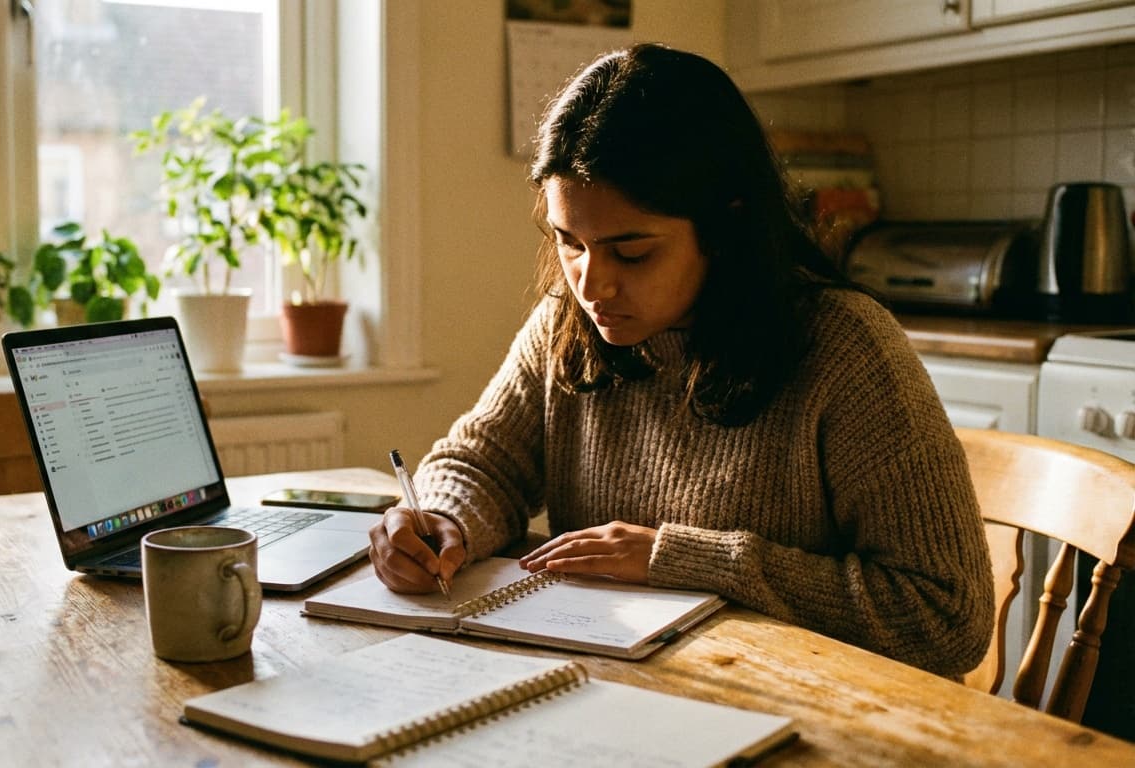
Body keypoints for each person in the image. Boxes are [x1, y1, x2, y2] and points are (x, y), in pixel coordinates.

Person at [368, 43, 993, 678]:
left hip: (812, 709)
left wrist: (681, 560)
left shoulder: (846, 348)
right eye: (569, 243)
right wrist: (442, 518)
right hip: (633, 692)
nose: (592, 286)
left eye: (632, 253)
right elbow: (485, 461)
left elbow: (944, 618)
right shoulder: (568, 321)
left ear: (726, 224)